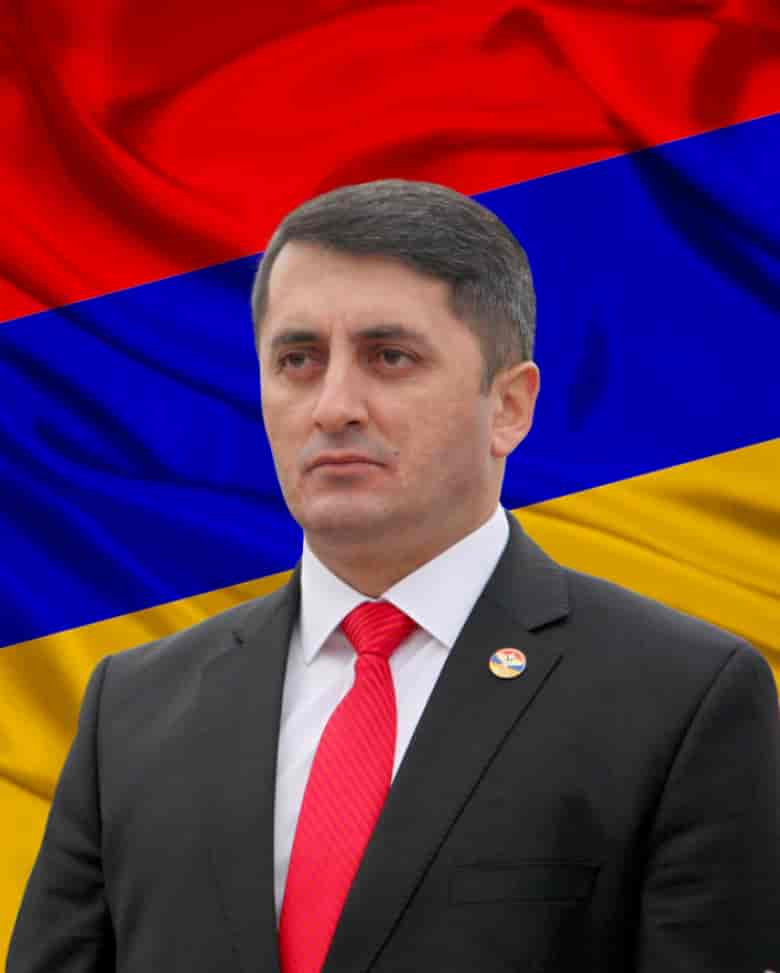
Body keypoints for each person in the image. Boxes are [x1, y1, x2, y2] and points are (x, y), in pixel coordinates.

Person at [7, 179, 779, 973]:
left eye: (389, 357)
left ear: (509, 406)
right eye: (298, 360)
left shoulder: (682, 701)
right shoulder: (132, 709)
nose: (334, 405)